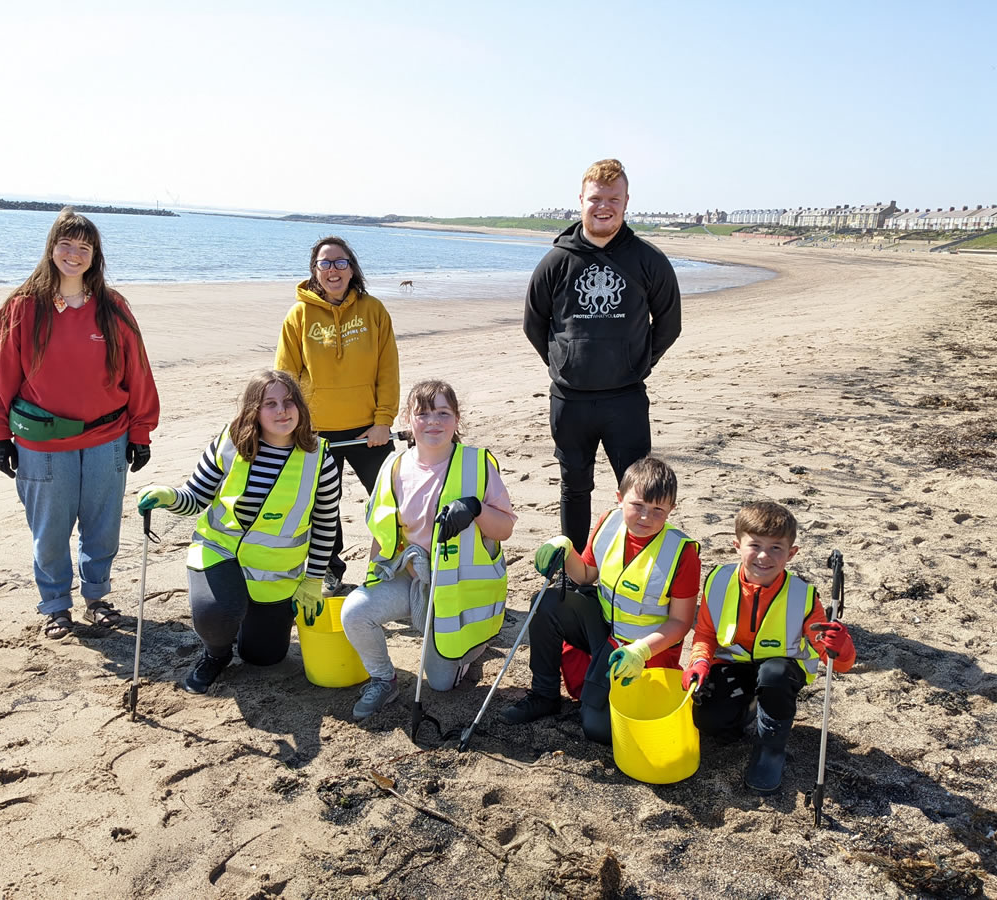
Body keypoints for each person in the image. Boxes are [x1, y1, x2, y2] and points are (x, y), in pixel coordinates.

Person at [0, 208, 159, 640]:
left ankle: (98, 598)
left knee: (103, 527)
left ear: (94, 254)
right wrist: (0, 435)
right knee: (49, 532)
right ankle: (56, 605)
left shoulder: (112, 308)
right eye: (66, 244)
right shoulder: (24, 307)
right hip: (42, 444)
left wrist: (140, 432)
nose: (74, 254)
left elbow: (137, 372)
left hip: (108, 438)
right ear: (51, 249)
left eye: (84, 247)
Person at [136, 370, 340, 694]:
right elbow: (195, 498)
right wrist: (168, 496)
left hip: (274, 571)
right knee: (215, 616)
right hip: (220, 550)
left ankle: (247, 618)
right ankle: (215, 654)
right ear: (254, 411)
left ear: (300, 406)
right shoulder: (230, 442)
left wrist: (313, 580)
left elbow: (327, 523)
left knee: (264, 657)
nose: (282, 410)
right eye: (269, 404)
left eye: (289, 401)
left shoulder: (319, 457)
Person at [524, 159, 682, 548]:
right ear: (581, 200)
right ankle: (574, 570)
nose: (603, 206)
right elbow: (534, 323)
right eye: (596, 198)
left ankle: (635, 567)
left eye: (613, 198)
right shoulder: (557, 261)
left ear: (627, 202)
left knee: (639, 493)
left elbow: (669, 323)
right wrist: (564, 363)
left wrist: (638, 362)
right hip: (570, 400)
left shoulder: (648, 260)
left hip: (624, 399)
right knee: (574, 486)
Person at [340, 380, 516, 721]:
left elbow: (505, 529)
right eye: (423, 414)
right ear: (409, 420)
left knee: (440, 685)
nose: (433, 421)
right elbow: (382, 531)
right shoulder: (393, 467)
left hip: (460, 591)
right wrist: (374, 581)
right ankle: (383, 679)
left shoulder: (477, 464)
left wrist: (476, 509)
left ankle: (471, 648)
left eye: (443, 413)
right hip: (412, 579)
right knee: (355, 612)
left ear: (456, 419)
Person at [499, 456, 700, 745]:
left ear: (672, 509)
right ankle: (544, 696)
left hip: (646, 650)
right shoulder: (609, 523)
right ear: (620, 499)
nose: (645, 517)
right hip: (603, 629)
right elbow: (584, 576)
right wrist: (564, 550)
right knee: (546, 601)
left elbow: (681, 623)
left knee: (600, 732)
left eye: (658, 510)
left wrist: (641, 651)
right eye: (637, 506)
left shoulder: (683, 552)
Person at [682, 501, 855, 794]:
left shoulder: (803, 596)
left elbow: (838, 664)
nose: (764, 555)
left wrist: (842, 646)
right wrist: (698, 663)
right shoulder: (718, 581)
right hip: (733, 664)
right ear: (737, 545)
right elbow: (706, 634)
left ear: (792, 553)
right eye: (755, 545)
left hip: (780, 672)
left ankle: (770, 749)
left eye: (777, 547)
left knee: (773, 676)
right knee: (710, 722)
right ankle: (746, 709)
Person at [275, 236, 399, 597]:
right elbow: (284, 377)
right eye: (325, 263)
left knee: (389, 498)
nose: (333, 270)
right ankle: (330, 569)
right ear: (314, 271)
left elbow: (387, 370)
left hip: (367, 430)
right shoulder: (298, 315)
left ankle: (390, 564)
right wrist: (289, 425)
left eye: (340, 262)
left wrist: (383, 420)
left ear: (352, 268)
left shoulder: (373, 310)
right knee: (323, 508)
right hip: (314, 432)